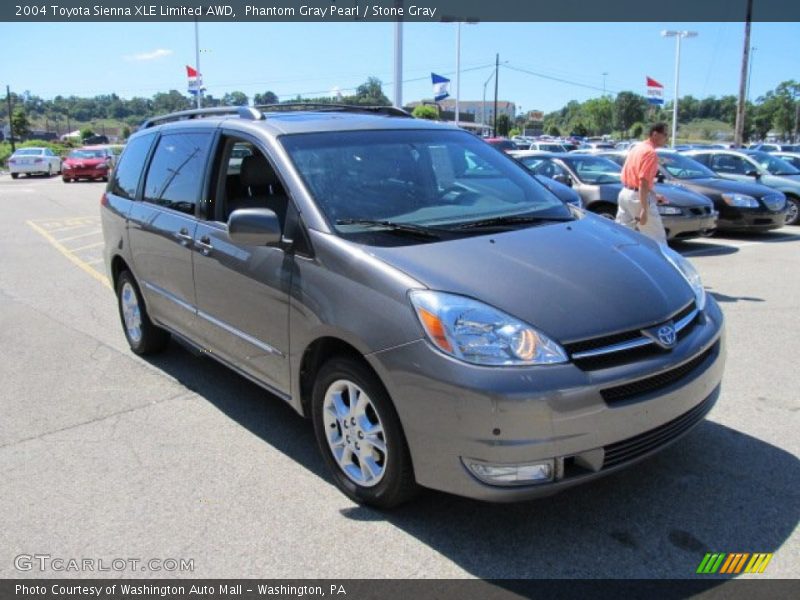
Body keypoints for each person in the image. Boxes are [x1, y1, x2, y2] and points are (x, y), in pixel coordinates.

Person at [616, 123, 670, 244]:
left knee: (623, 237)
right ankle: (660, 263)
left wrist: (653, 195)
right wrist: (644, 209)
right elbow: (643, 181)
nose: (667, 138)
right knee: (657, 241)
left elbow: (636, 178)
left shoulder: (637, 148)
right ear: (655, 134)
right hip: (637, 198)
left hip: (625, 194)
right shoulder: (650, 153)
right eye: (665, 134)